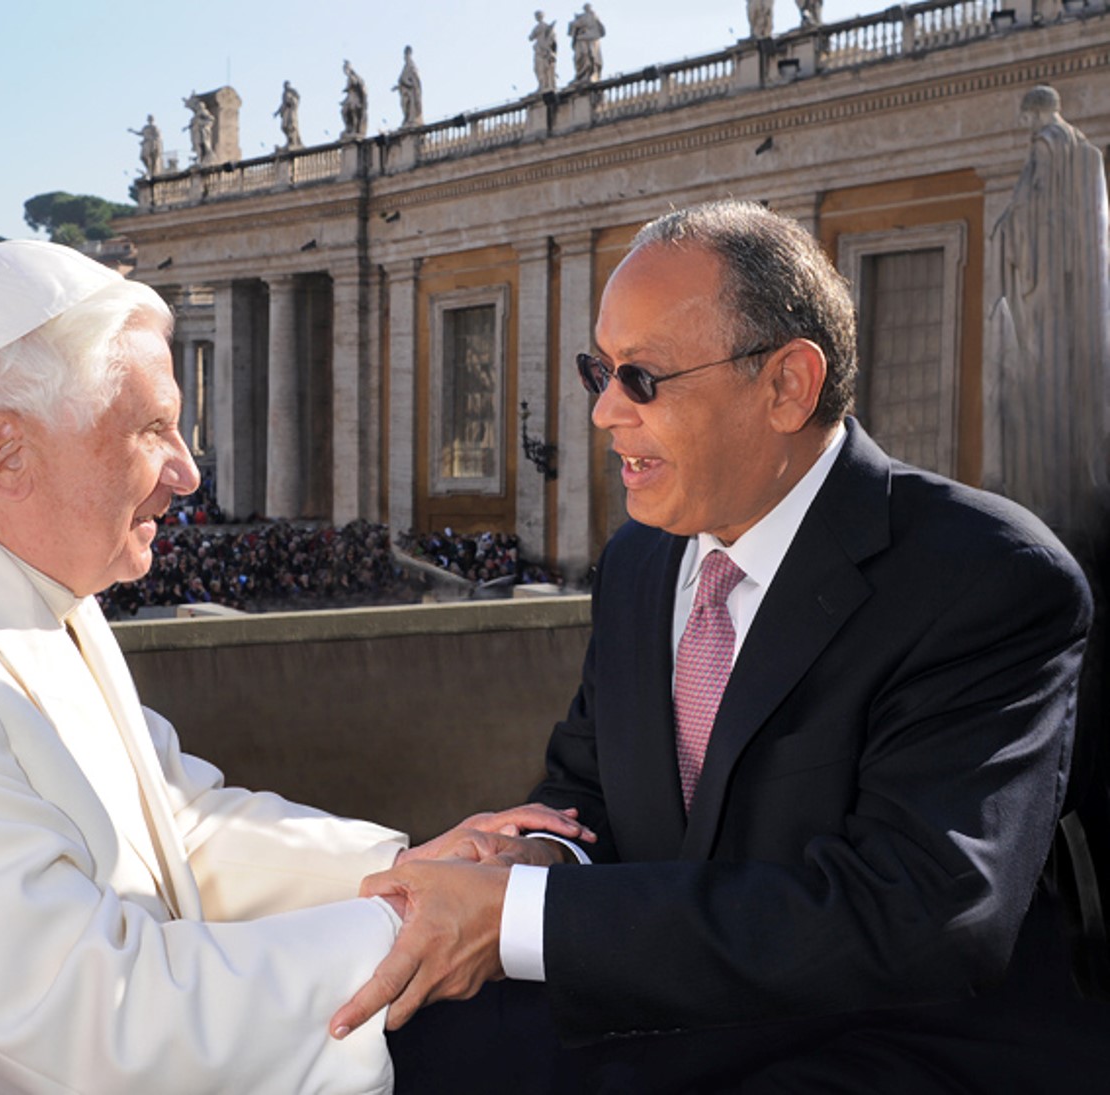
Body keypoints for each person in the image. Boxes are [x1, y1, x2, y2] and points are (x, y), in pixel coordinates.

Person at [0, 239, 586, 1094]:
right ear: (6, 449)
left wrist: (417, 865)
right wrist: (414, 925)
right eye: (151, 428)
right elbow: (75, 1016)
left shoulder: (34, 585)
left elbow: (175, 830)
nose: (188, 473)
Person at [334, 200, 1110, 1091]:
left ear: (786, 385)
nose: (602, 413)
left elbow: (919, 914)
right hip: (667, 1014)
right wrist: (537, 856)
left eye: (641, 378)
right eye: (599, 370)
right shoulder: (636, 562)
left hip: (899, 1042)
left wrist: (525, 917)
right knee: (367, 1055)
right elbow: (586, 790)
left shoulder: (987, 576)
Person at [992, 84, 1110, 550]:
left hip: (1045, 291)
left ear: (1036, 112)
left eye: (1026, 115)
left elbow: (1028, 211)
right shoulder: (1081, 150)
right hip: (1074, 285)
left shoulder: (1044, 148)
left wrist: (1005, 228)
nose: (1025, 125)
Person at [566, 3, 605, 86]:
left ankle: (590, 74)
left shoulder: (592, 16)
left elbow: (579, 23)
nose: (587, 9)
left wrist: (575, 23)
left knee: (590, 56)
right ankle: (582, 76)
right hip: (582, 40)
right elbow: (576, 25)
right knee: (581, 57)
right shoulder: (583, 17)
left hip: (590, 40)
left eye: (587, 8)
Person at [394, 46, 423, 129]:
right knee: (404, 106)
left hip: (411, 93)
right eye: (404, 55)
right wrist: (398, 86)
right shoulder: (405, 67)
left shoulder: (411, 66)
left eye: (406, 54)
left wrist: (407, 84)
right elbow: (402, 80)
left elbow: (415, 81)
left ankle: (411, 120)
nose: (405, 57)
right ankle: (408, 120)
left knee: (410, 107)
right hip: (404, 92)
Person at [529, 10, 557, 95]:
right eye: (536, 15)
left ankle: (545, 85)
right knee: (538, 68)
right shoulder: (539, 27)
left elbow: (553, 39)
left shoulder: (545, 27)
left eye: (538, 15)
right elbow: (530, 38)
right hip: (539, 49)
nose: (537, 17)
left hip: (544, 50)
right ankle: (542, 85)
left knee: (544, 68)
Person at [341, 60, 368, 139]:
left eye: (346, 69)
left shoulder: (354, 78)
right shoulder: (349, 78)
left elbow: (359, 87)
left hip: (355, 99)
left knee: (354, 112)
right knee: (344, 111)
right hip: (349, 98)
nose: (345, 71)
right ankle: (349, 128)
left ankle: (355, 129)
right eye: (344, 69)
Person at [276, 80, 303, 150]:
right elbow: (283, 104)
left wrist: (292, 101)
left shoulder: (293, 92)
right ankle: (289, 140)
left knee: (291, 126)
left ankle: (293, 141)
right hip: (286, 112)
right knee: (284, 127)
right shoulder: (284, 94)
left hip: (291, 111)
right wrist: (277, 112)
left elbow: (296, 100)